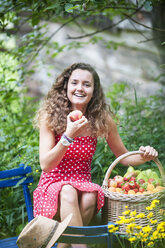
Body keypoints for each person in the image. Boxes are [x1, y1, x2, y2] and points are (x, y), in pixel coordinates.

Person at [33, 63, 158, 248]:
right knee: (68, 190)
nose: (80, 88)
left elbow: (123, 157)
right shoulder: (50, 116)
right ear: (66, 86)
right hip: (53, 185)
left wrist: (144, 156)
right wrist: (68, 136)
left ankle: (64, 245)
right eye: (74, 82)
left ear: (94, 90)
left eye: (86, 84)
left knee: (91, 194)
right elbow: (46, 165)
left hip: (82, 185)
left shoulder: (102, 119)